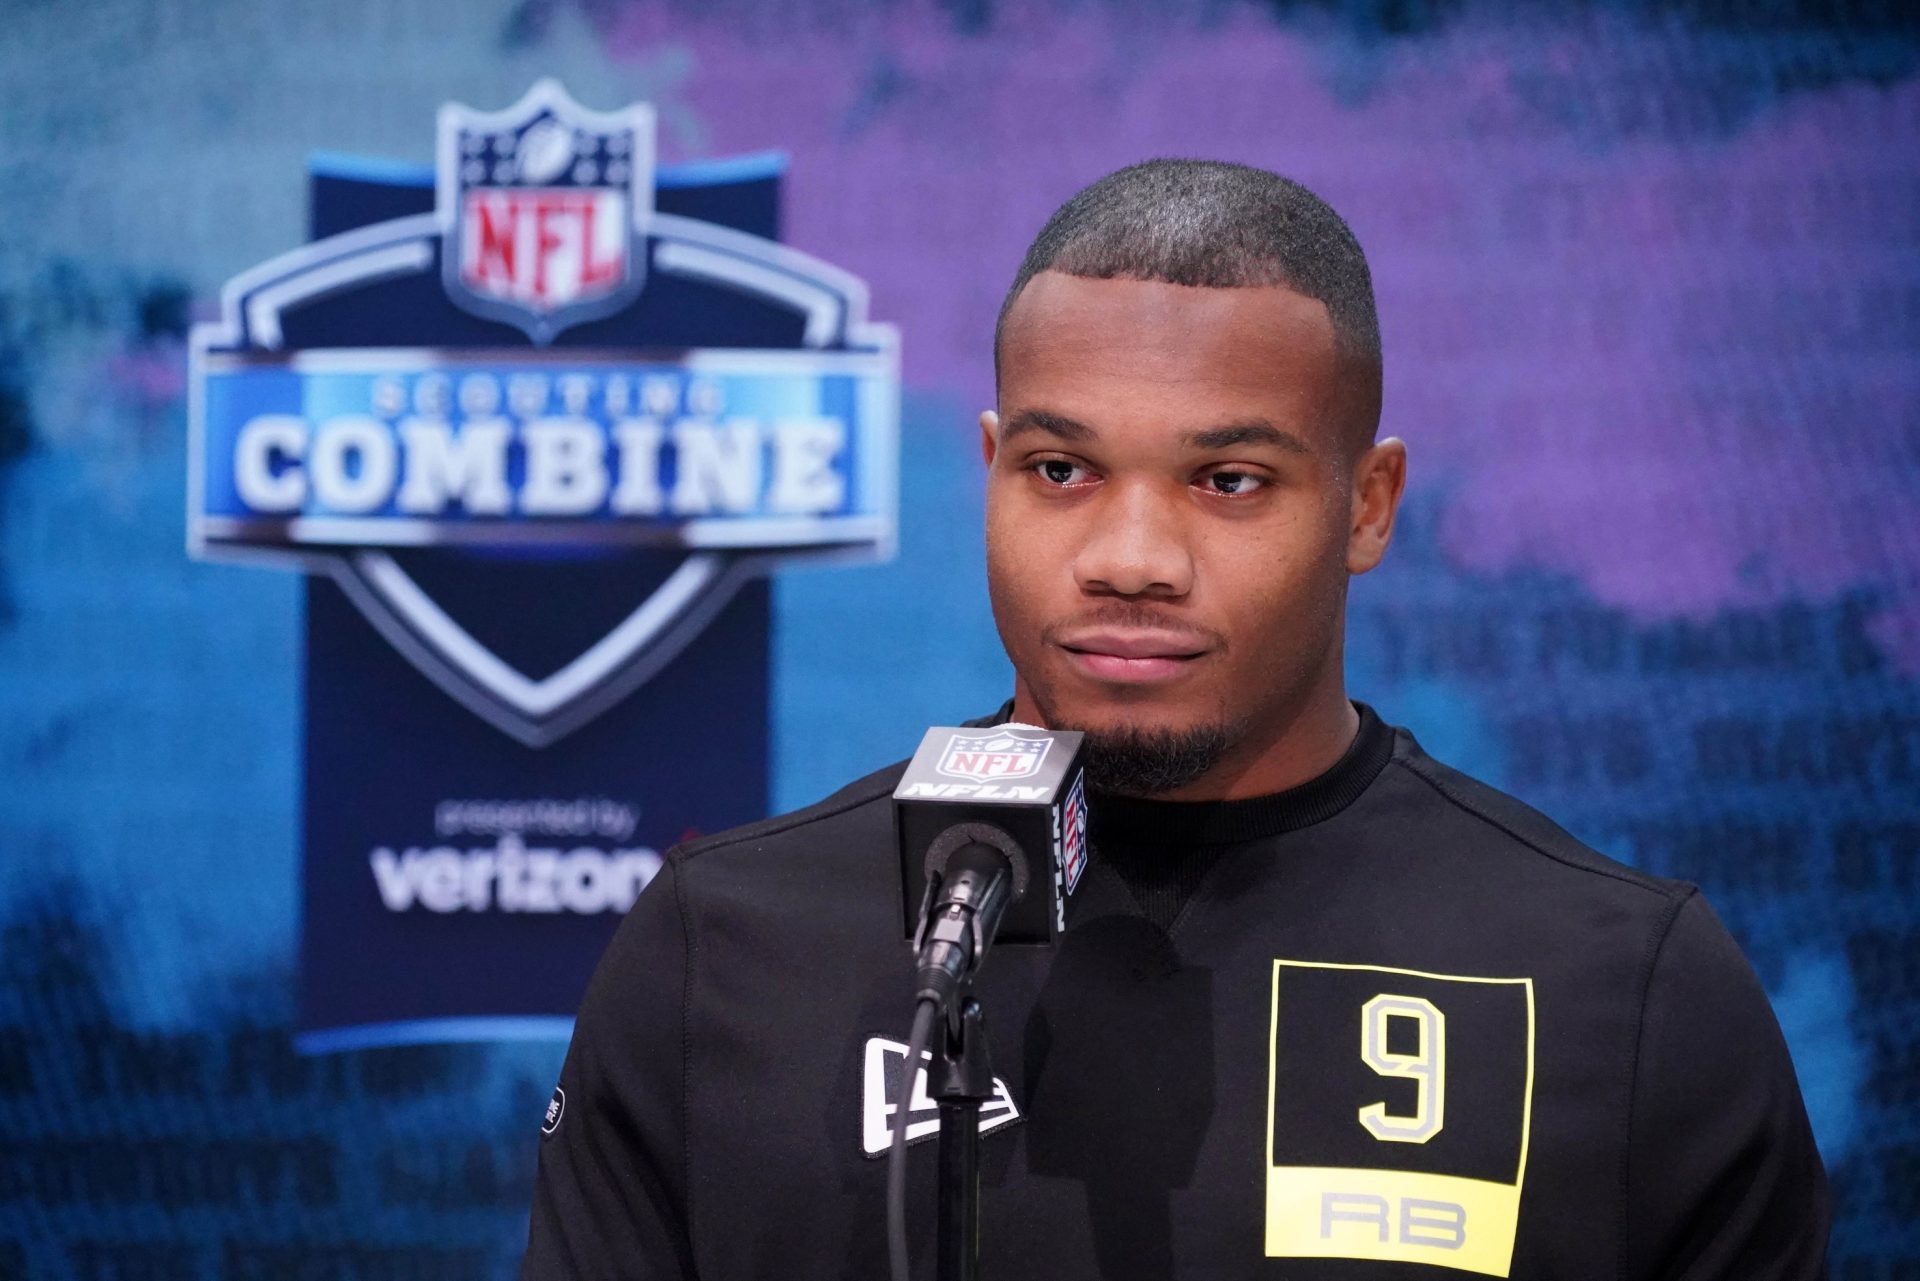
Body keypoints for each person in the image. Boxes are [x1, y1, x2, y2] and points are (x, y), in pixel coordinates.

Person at [520, 160, 1830, 1279]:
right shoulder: (725, 953)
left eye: (1229, 479)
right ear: (990, 471)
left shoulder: (1624, 988)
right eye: (1062, 469)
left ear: (1369, 505)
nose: (1131, 554)